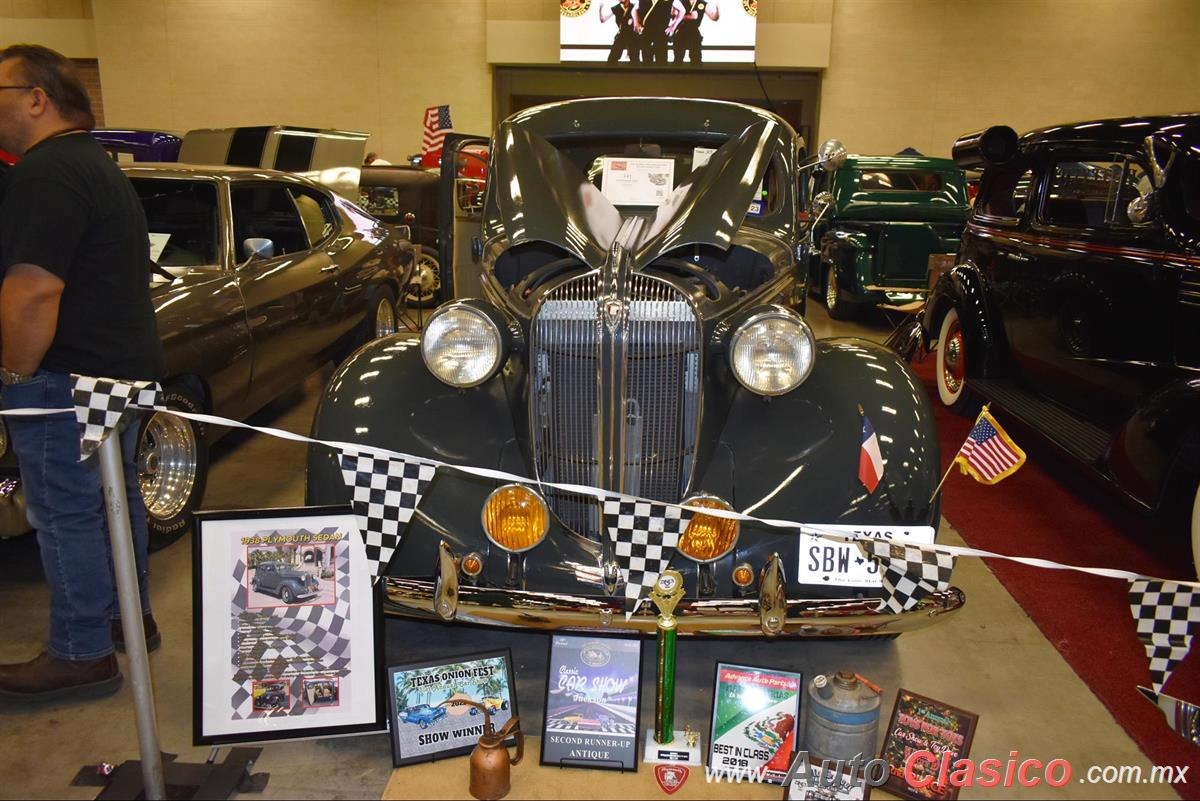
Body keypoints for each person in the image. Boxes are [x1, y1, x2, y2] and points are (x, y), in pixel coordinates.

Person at [0, 44, 165, 701]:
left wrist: (13, 373)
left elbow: (34, 291)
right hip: (118, 371)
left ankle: (81, 651)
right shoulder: (94, 165)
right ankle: (129, 616)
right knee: (114, 500)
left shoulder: (45, 173)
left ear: (36, 98)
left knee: (65, 510)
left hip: (65, 379)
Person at [635, 0, 678, 65]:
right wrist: (636, 22)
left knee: (661, 58)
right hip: (647, 30)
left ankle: (662, 73)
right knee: (646, 58)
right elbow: (634, 10)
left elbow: (682, 10)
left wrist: (673, 26)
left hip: (661, 31)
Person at [600, 0, 640, 64]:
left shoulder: (635, 7)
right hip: (622, 35)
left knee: (635, 60)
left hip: (633, 35)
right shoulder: (615, 8)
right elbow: (603, 20)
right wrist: (600, 9)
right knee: (612, 59)